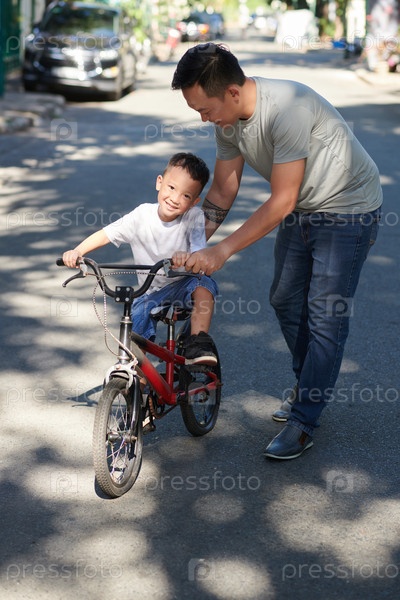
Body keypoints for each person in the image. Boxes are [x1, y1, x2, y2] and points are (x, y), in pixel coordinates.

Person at [171, 43, 382, 459]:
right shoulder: (227, 120)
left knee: (324, 314)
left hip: (348, 209)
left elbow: (282, 200)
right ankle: (310, 386)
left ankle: (304, 419)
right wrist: (190, 243)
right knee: (285, 299)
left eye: (205, 109)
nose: (203, 119)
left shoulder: (287, 108)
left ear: (233, 92)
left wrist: (222, 251)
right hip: (305, 206)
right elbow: (223, 189)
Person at [62, 152, 219, 366]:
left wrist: (188, 257)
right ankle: (136, 375)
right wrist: (78, 251)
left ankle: (198, 342)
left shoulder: (194, 217)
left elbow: (200, 254)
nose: (175, 199)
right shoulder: (142, 215)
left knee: (203, 283)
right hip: (150, 292)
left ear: (194, 202)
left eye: (186, 196)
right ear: (159, 182)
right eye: (171, 188)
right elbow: (106, 234)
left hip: (182, 286)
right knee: (133, 337)